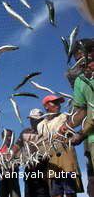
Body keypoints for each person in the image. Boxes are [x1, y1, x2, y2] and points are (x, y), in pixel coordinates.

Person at [61, 41, 94, 196]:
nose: (80, 59)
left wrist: (81, 133)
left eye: (82, 54)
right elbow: (80, 111)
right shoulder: (80, 81)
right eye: (76, 57)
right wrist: (67, 126)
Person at [37, 95, 83, 197]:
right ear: (46, 106)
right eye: (55, 103)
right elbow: (41, 146)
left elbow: (75, 121)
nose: (58, 105)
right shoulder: (40, 125)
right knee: (56, 194)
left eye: (59, 103)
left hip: (67, 160)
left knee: (70, 192)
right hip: (52, 163)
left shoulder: (65, 116)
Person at [12, 109, 50, 197]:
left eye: (36, 119)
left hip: (44, 170)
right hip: (29, 170)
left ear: (42, 119)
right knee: (29, 193)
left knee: (43, 193)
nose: (33, 121)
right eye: (31, 119)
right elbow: (17, 146)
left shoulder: (47, 131)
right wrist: (9, 155)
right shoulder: (25, 132)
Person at [0, 129, 21, 197]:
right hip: (2, 178)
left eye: (11, 136)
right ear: (2, 138)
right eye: (7, 136)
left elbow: (19, 161)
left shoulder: (16, 148)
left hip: (13, 176)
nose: (9, 138)